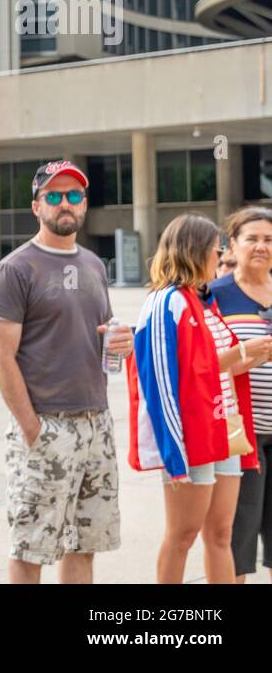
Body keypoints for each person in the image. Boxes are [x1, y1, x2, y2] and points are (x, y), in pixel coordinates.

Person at [0, 159, 134, 583]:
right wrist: (33, 430)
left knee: (86, 546)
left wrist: (119, 341)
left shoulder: (93, 265)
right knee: (31, 546)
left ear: (84, 204)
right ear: (37, 207)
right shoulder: (16, 269)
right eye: (54, 196)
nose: (65, 203)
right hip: (46, 426)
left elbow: (101, 334)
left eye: (74, 195)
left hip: (96, 425)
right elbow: (0, 357)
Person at [129, 213, 269, 584]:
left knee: (220, 535)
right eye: (216, 248)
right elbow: (162, 382)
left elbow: (212, 369)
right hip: (191, 438)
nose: (220, 255)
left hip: (223, 431)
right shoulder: (165, 302)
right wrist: (173, 454)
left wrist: (251, 355)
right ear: (195, 251)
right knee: (182, 536)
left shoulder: (201, 301)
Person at [204, 208, 272, 582]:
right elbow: (196, 364)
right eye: (252, 238)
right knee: (234, 538)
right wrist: (244, 355)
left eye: (269, 239)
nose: (261, 246)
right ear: (233, 245)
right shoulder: (213, 296)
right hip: (238, 437)